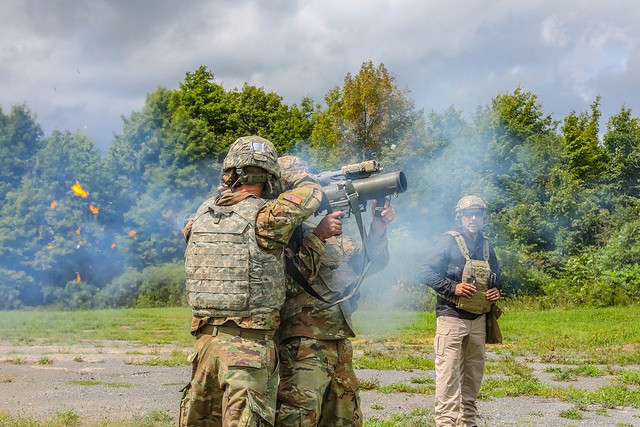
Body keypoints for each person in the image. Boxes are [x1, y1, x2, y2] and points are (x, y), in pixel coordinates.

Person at [179, 137, 322, 427]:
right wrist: (292, 176)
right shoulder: (267, 217)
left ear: (228, 173)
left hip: (205, 346)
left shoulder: (200, 216)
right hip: (248, 350)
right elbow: (312, 193)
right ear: (269, 177)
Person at [274, 156, 396, 427]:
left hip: (339, 340)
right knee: (298, 418)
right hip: (302, 344)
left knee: (344, 418)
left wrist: (378, 229)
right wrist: (318, 235)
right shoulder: (281, 233)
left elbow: (370, 264)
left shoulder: (331, 231)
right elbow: (289, 281)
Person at [416, 195, 501, 427]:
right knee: (448, 379)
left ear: (483, 218)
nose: (473, 218)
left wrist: (496, 291)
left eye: (478, 214)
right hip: (451, 318)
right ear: (460, 217)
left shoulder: (486, 245)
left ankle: (468, 423)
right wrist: (454, 288)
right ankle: (445, 424)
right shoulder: (448, 241)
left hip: (479, 321)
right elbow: (423, 271)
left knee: (472, 379)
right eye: (469, 214)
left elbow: (497, 277)